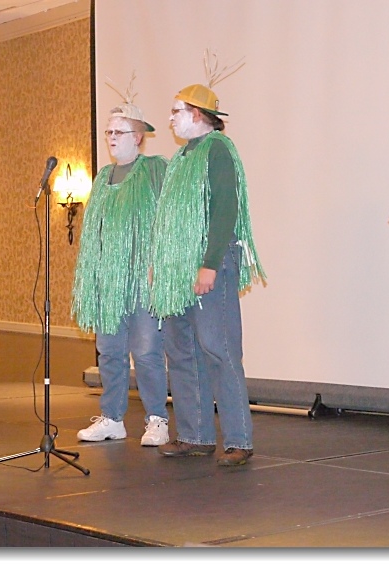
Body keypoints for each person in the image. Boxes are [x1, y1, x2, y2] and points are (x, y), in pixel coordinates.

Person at [150, 84, 265, 466]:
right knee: (182, 351)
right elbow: (169, 216)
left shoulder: (217, 150)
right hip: (178, 269)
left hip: (209, 263)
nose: (171, 119)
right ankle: (194, 435)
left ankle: (239, 440)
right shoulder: (182, 157)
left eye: (176, 111)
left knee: (219, 348)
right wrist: (160, 264)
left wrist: (210, 263)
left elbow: (224, 209)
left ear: (197, 114)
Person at [71, 103, 170, 446]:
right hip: (109, 281)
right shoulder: (103, 177)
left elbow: (168, 217)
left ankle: (157, 419)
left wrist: (161, 264)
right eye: (109, 132)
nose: (112, 138)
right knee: (110, 351)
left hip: (142, 279)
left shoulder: (155, 169)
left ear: (138, 137)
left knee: (146, 352)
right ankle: (112, 418)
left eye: (119, 132)